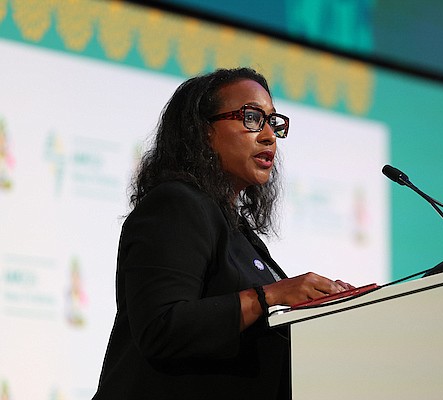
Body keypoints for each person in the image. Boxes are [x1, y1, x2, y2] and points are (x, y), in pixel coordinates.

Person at [92, 67, 353, 400]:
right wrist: (269, 296)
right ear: (202, 132)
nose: (269, 136)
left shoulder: (236, 229)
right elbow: (163, 328)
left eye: (272, 122)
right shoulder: (176, 204)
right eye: (251, 117)